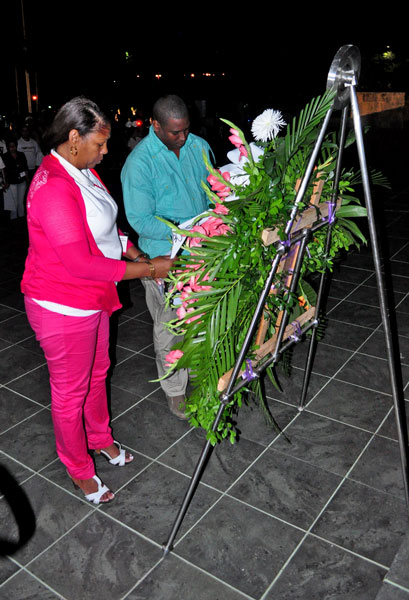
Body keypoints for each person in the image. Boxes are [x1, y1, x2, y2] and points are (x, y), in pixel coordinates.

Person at [21, 97, 173, 504]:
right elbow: (80, 263)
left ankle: (100, 437)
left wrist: (137, 254)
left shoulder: (82, 170)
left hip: (92, 297)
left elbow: (105, 229)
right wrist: (150, 270)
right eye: (100, 144)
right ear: (74, 139)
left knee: (98, 371)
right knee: (71, 390)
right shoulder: (54, 186)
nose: (107, 151)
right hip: (63, 304)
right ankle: (78, 468)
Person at [121, 95, 213, 419]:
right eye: (175, 132)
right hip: (165, 256)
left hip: (205, 250)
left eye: (186, 129)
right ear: (155, 125)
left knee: (205, 316)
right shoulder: (139, 163)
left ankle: (204, 370)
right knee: (170, 326)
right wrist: (184, 233)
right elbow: (139, 219)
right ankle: (175, 389)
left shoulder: (199, 147)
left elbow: (212, 191)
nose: (183, 138)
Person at [2, 138, 29, 219]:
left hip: (22, 181)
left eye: (14, 146)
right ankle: (13, 219)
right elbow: (4, 171)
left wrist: (28, 180)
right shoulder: (5, 156)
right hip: (11, 182)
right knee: (14, 202)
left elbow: (25, 168)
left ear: (16, 146)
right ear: (7, 147)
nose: (12, 148)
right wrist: (5, 181)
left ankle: (21, 218)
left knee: (21, 202)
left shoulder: (21, 155)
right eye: (10, 146)